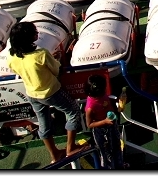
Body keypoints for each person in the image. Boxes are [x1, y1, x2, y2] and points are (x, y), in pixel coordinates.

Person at [7, 21, 84, 164]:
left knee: (43, 124)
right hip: (51, 92)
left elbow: (19, 69)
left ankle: (54, 154)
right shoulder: (41, 54)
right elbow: (56, 70)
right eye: (34, 32)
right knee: (73, 112)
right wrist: (56, 59)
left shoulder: (12, 57)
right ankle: (70, 147)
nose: (37, 33)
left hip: (32, 94)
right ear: (28, 38)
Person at [84, 74, 124, 169]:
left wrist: (117, 101)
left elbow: (106, 101)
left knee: (116, 146)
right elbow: (89, 124)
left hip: (111, 125)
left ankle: (119, 166)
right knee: (105, 152)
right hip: (101, 131)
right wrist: (105, 121)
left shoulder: (101, 95)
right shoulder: (90, 107)